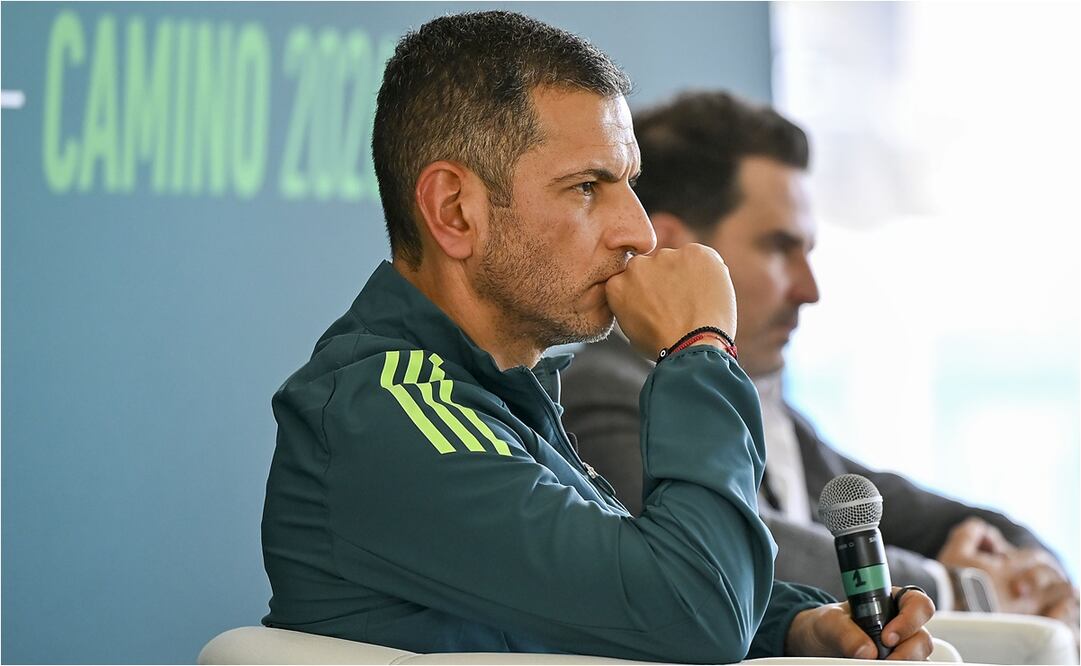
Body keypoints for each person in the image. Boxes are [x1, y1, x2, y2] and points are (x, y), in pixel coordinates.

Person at [260, 11, 936, 663]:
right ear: (454, 211)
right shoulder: (386, 414)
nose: (637, 232)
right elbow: (695, 612)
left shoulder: (495, 399)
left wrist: (801, 625)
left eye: (628, 184)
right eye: (587, 186)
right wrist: (698, 347)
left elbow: (623, 587)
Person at [559, 90, 1079, 636]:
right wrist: (960, 589)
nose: (810, 290)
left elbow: (946, 518)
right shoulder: (603, 390)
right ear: (671, 246)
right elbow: (736, 550)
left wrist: (1030, 571)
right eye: (780, 248)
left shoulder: (775, 411)